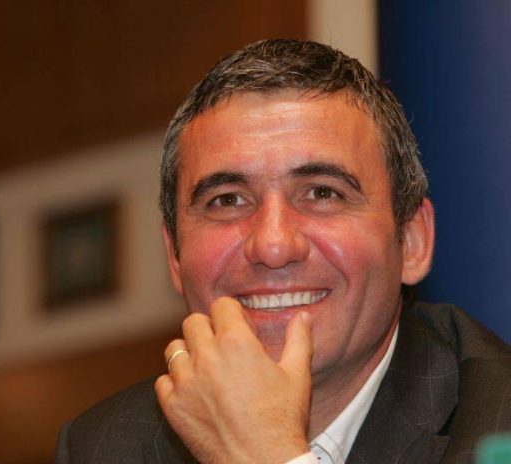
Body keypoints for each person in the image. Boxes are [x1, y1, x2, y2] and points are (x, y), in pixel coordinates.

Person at [55, 39, 511, 463]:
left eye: (322, 193)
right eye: (227, 200)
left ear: (412, 241)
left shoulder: (498, 422)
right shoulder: (106, 447)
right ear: (174, 255)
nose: (273, 246)